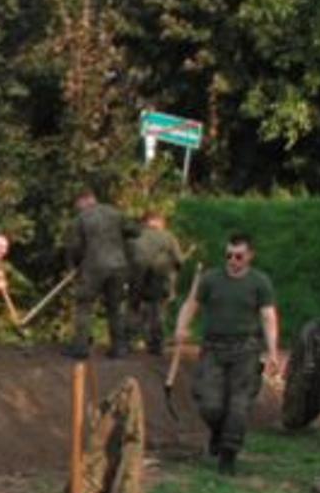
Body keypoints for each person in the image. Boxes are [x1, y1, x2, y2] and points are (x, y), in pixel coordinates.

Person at [173, 233, 281, 475]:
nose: (232, 260)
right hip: (213, 349)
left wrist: (273, 351)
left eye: (238, 256)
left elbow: (268, 316)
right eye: (229, 255)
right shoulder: (211, 279)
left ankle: (228, 455)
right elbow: (191, 304)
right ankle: (218, 433)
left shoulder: (259, 282)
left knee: (238, 405)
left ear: (250, 256)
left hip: (246, 350)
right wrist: (181, 326)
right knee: (210, 404)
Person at [65, 189, 138, 359]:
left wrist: (74, 266)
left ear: (83, 201)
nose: (77, 208)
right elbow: (135, 231)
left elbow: (74, 247)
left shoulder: (81, 219)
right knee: (114, 307)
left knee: (84, 305)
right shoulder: (115, 213)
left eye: (77, 204)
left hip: (93, 267)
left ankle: (80, 348)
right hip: (119, 266)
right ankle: (119, 348)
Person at [127, 211, 185, 355]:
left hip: (138, 279)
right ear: (159, 221)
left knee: (135, 310)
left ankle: (127, 341)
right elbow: (179, 261)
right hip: (160, 279)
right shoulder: (168, 237)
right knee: (157, 312)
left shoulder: (135, 237)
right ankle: (155, 345)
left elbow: (129, 259)